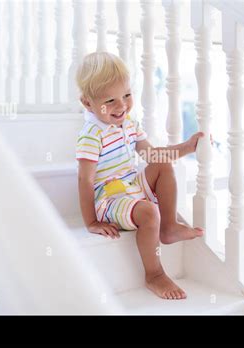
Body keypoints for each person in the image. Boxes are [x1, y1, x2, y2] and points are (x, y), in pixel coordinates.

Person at [76, 52, 204, 300]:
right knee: (148, 211)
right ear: (88, 104)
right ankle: (154, 274)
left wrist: (187, 148)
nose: (122, 106)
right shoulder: (91, 134)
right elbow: (86, 180)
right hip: (110, 198)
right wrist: (91, 221)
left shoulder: (129, 123)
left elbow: (152, 154)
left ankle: (167, 227)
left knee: (163, 165)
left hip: (131, 185)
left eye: (126, 95)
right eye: (110, 100)